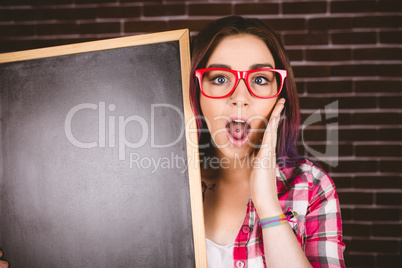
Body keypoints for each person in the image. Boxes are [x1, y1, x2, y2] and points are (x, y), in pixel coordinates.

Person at [190, 16, 345, 267]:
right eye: (219, 78)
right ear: (195, 92)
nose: (240, 97)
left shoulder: (312, 186)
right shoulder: (162, 185)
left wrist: (268, 207)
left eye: (260, 79)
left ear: (279, 97)